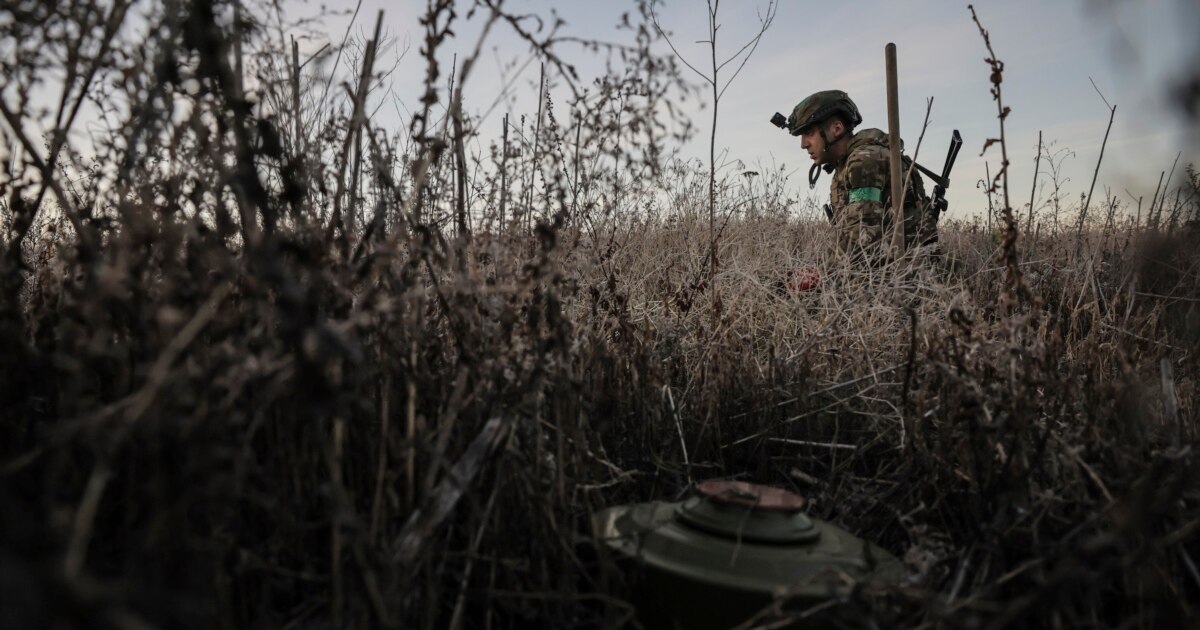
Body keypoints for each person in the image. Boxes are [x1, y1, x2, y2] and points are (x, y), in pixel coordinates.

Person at [786, 90, 937, 264]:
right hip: (884, 268)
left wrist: (821, 274)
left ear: (837, 129)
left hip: (908, 274)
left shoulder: (864, 160)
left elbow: (862, 237)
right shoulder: (845, 165)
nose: (803, 144)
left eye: (809, 133)